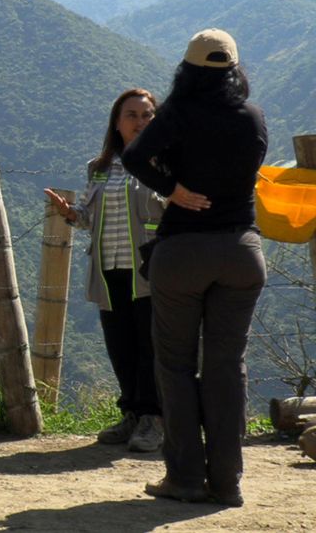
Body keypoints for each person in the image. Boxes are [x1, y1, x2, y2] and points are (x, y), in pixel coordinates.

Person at [123, 29, 268, 508]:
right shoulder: (252, 118)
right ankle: (228, 484)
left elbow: (133, 156)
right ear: (234, 70)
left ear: (186, 70)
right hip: (241, 251)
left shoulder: (178, 116)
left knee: (176, 366)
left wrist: (173, 189)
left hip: (183, 251)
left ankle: (184, 478)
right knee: (228, 367)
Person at [44, 89, 165, 452]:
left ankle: (154, 419)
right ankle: (131, 414)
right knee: (120, 345)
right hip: (107, 268)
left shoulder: (164, 164)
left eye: (147, 115)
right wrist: (70, 214)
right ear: (117, 122)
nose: (140, 122)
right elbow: (88, 217)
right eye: (132, 115)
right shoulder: (98, 168)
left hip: (147, 266)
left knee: (150, 345)